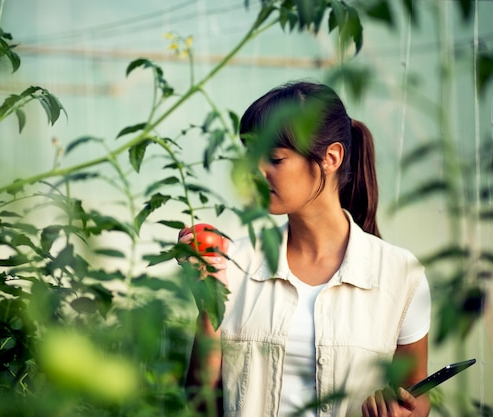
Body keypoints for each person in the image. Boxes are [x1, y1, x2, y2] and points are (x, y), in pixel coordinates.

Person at [180, 81, 431, 417]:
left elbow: (418, 394)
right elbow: (199, 404)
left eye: (274, 158)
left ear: (331, 158)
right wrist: (209, 305)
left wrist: (404, 410)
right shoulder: (233, 265)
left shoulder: (400, 274)